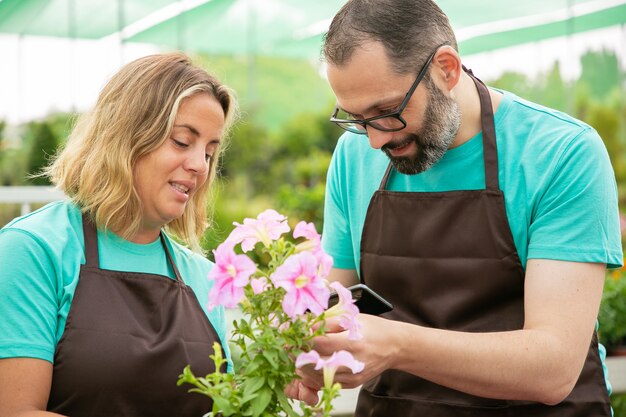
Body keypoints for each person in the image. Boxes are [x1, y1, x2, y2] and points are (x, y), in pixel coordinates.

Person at [286, 1, 623, 416]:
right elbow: (334, 301)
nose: (374, 140)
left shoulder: (560, 154)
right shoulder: (353, 156)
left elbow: (552, 368)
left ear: (446, 68)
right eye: (356, 118)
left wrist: (396, 344)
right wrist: (305, 345)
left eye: (386, 112)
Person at [0, 52, 238, 417]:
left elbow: (228, 407)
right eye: (180, 141)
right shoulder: (33, 250)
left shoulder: (200, 275)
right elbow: (16, 411)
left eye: (209, 151)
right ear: (125, 136)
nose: (198, 166)